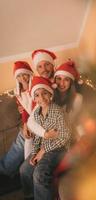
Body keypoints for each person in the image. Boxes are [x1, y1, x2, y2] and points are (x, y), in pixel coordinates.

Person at [0, 49, 57, 177]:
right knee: (23, 136)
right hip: (34, 123)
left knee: (23, 138)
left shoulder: (56, 83)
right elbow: (27, 108)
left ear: (53, 65)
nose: (44, 69)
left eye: (47, 64)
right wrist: (25, 123)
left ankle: (6, 168)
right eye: (40, 66)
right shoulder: (35, 84)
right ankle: (7, 167)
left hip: (45, 127)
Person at [20, 76, 71, 200]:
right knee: (24, 169)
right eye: (37, 95)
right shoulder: (37, 114)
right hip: (43, 147)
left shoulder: (58, 112)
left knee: (39, 173)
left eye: (44, 93)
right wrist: (34, 153)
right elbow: (38, 137)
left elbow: (64, 137)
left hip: (59, 148)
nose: (41, 98)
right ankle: (30, 196)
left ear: (50, 94)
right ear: (34, 98)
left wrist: (42, 151)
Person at [0, 61, 34, 176]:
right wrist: (25, 124)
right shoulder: (18, 93)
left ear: (30, 73)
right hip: (28, 123)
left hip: (36, 122)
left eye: (24, 74)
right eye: (18, 76)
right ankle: (5, 165)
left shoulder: (36, 87)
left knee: (21, 140)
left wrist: (27, 125)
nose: (22, 78)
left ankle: (6, 168)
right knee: (20, 139)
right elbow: (24, 111)